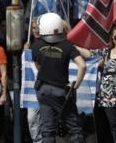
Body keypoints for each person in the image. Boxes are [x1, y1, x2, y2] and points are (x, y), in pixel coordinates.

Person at [31, 12, 86, 143]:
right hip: (61, 91)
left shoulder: (36, 45)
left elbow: (38, 66)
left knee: (47, 129)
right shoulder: (67, 45)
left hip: (42, 90)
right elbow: (82, 65)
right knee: (74, 129)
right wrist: (76, 86)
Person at [24, 19, 43, 143]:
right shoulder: (28, 45)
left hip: (46, 85)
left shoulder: (48, 43)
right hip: (32, 88)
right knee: (31, 118)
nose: (35, 30)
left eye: (38, 27)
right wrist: (25, 52)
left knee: (46, 118)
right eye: (33, 28)